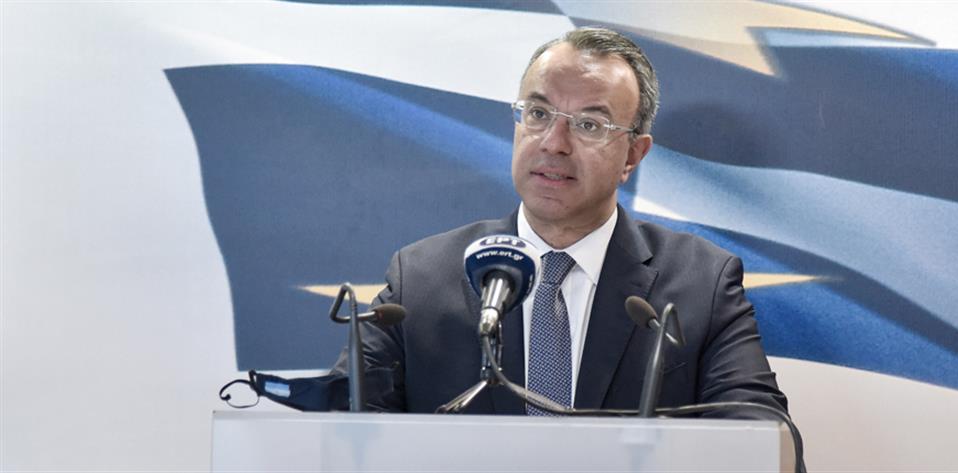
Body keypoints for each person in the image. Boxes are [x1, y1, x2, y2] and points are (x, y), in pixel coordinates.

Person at [333, 27, 787, 417]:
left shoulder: (702, 284)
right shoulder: (420, 279)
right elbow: (337, 428)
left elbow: (764, 438)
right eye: (538, 114)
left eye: (589, 125)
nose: (554, 142)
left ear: (633, 155)